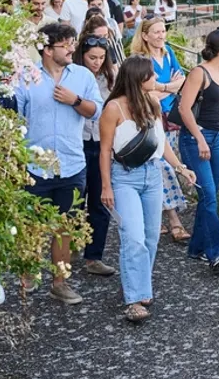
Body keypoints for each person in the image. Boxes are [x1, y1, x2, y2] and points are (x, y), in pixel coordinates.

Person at [99, 56, 196, 323]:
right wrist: (106, 186)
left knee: (151, 237)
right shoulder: (113, 109)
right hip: (124, 176)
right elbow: (105, 150)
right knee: (133, 236)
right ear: (138, 79)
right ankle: (134, 298)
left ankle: (138, 286)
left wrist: (179, 167)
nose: (155, 79)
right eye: (151, 75)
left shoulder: (151, 103)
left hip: (152, 175)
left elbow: (159, 141)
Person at [15, 23, 104, 305]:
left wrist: (74, 100)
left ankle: (60, 282)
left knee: (65, 227)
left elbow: (95, 111)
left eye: (72, 43)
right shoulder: (25, 77)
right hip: (33, 167)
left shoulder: (82, 76)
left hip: (71, 163)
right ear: (48, 48)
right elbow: (15, 119)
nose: (72, 49)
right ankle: (26, 278)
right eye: (66, 44)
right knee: (30, 226)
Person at [177, 28, 219, 270]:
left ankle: (197, 248)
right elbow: (184, 108)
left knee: (207, 196)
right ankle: (217, 252)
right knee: (209, 195)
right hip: (194, 139)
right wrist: (200, 138)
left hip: (218, 138)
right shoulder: (199, 73)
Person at [130, 17, 190, 241]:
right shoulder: (141, 60)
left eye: (163, 31)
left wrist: (161, 89)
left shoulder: (168, 53)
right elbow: (146, 95)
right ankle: (174, 220)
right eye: (156, 32)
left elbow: (181, 80)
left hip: (170, 116)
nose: (161, 35)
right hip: (150, 116)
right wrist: (169, 88)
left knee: (164, 166)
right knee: (163, 166)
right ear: (145, 35)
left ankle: (154, 217)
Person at [75, 35, 118, 277]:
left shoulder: (110, 76)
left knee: (101, 201)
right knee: (74, 200)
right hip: (78, 141)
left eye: (101, 58)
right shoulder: (73, 75)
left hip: (102, 141)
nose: (97, 62)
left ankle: (94, 256)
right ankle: (68, 250)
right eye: (92, 57)